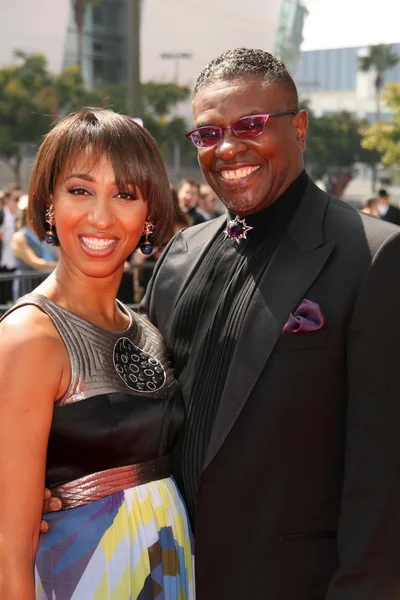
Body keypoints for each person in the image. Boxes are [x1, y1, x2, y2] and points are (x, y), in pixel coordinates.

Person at [139, 48, 400, 599]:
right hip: (167, 575)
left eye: (251, 125)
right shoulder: (181, 252)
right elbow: (144, 410)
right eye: (208, 135)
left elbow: (384, 475)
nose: (229, 148)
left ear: (299, 127)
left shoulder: (374, 256)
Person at [0, 108, 194, 599]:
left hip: (168, 569)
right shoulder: (30, 337)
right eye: (80, 190)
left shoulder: (146, 328)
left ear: (149, 212)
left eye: (124, 195)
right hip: (79, 576)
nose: (101, 217)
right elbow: (7, 549)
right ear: (48, 203)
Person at [12, 194, 58, 300]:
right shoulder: (19, 237)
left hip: (49, 284)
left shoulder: (48, 234)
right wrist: (60, 266)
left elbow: (59, 255)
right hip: (28, 286)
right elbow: (34, 262)